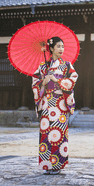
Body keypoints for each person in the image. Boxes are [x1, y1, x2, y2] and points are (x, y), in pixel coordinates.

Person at [31, 36, 78, 175]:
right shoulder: (42, 66)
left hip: (60, 104)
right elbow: (35, 83)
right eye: (58, 46)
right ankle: (46, 165)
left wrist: (56, 79)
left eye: (62, 46)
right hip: (46, 103)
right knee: (46, 134)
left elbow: (73, 79)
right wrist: (43, 82)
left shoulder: (67, 65)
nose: (61, 49)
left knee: (59, 134)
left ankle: (57, 165)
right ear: (51, 49)